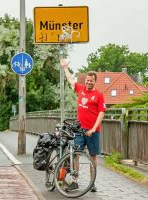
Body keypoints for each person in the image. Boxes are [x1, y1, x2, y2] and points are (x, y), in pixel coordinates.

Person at [60, 58, 106, 192]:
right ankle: (75, 181)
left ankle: (92, 183)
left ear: (95, 81)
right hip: (80, 129)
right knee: (76, 154)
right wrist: (65, 68)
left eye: (91, 80)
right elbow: (70, 80)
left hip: (93, 131)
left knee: (93, 157)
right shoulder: (80, 89)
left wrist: (93, 128)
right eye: (87, 80)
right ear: (85, 80)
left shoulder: (98, 95)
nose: (89, 82)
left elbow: (101, 113)